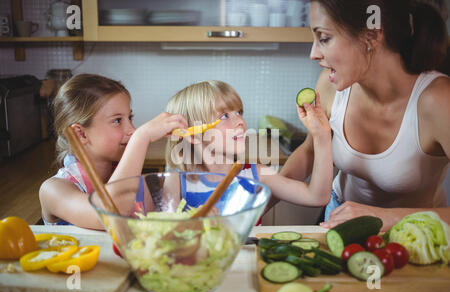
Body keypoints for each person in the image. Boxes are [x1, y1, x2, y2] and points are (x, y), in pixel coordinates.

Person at [276, 0, 450, 231]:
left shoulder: (438, 101)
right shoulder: (331, 85)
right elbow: (310, 151)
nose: (313, 53)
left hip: (414, 234)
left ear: (372, 35)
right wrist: (256, 203)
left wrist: (384, 217)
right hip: (339, 218)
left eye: (324, 38)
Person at [165, 80, 333, 224]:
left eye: (239, 112)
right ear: (193, 135)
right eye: (224, 116)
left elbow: (317, 197)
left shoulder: (257, 174)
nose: (240, 121)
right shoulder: (176, 183)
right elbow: (165, 237)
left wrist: (322, 136)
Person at [39, 74, 187, 229]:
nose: (132, 130)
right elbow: (109, 213)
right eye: (117, 120)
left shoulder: (137, 182)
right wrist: (141, 137)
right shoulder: (54, 190)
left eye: (130, 117)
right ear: (80, 134)